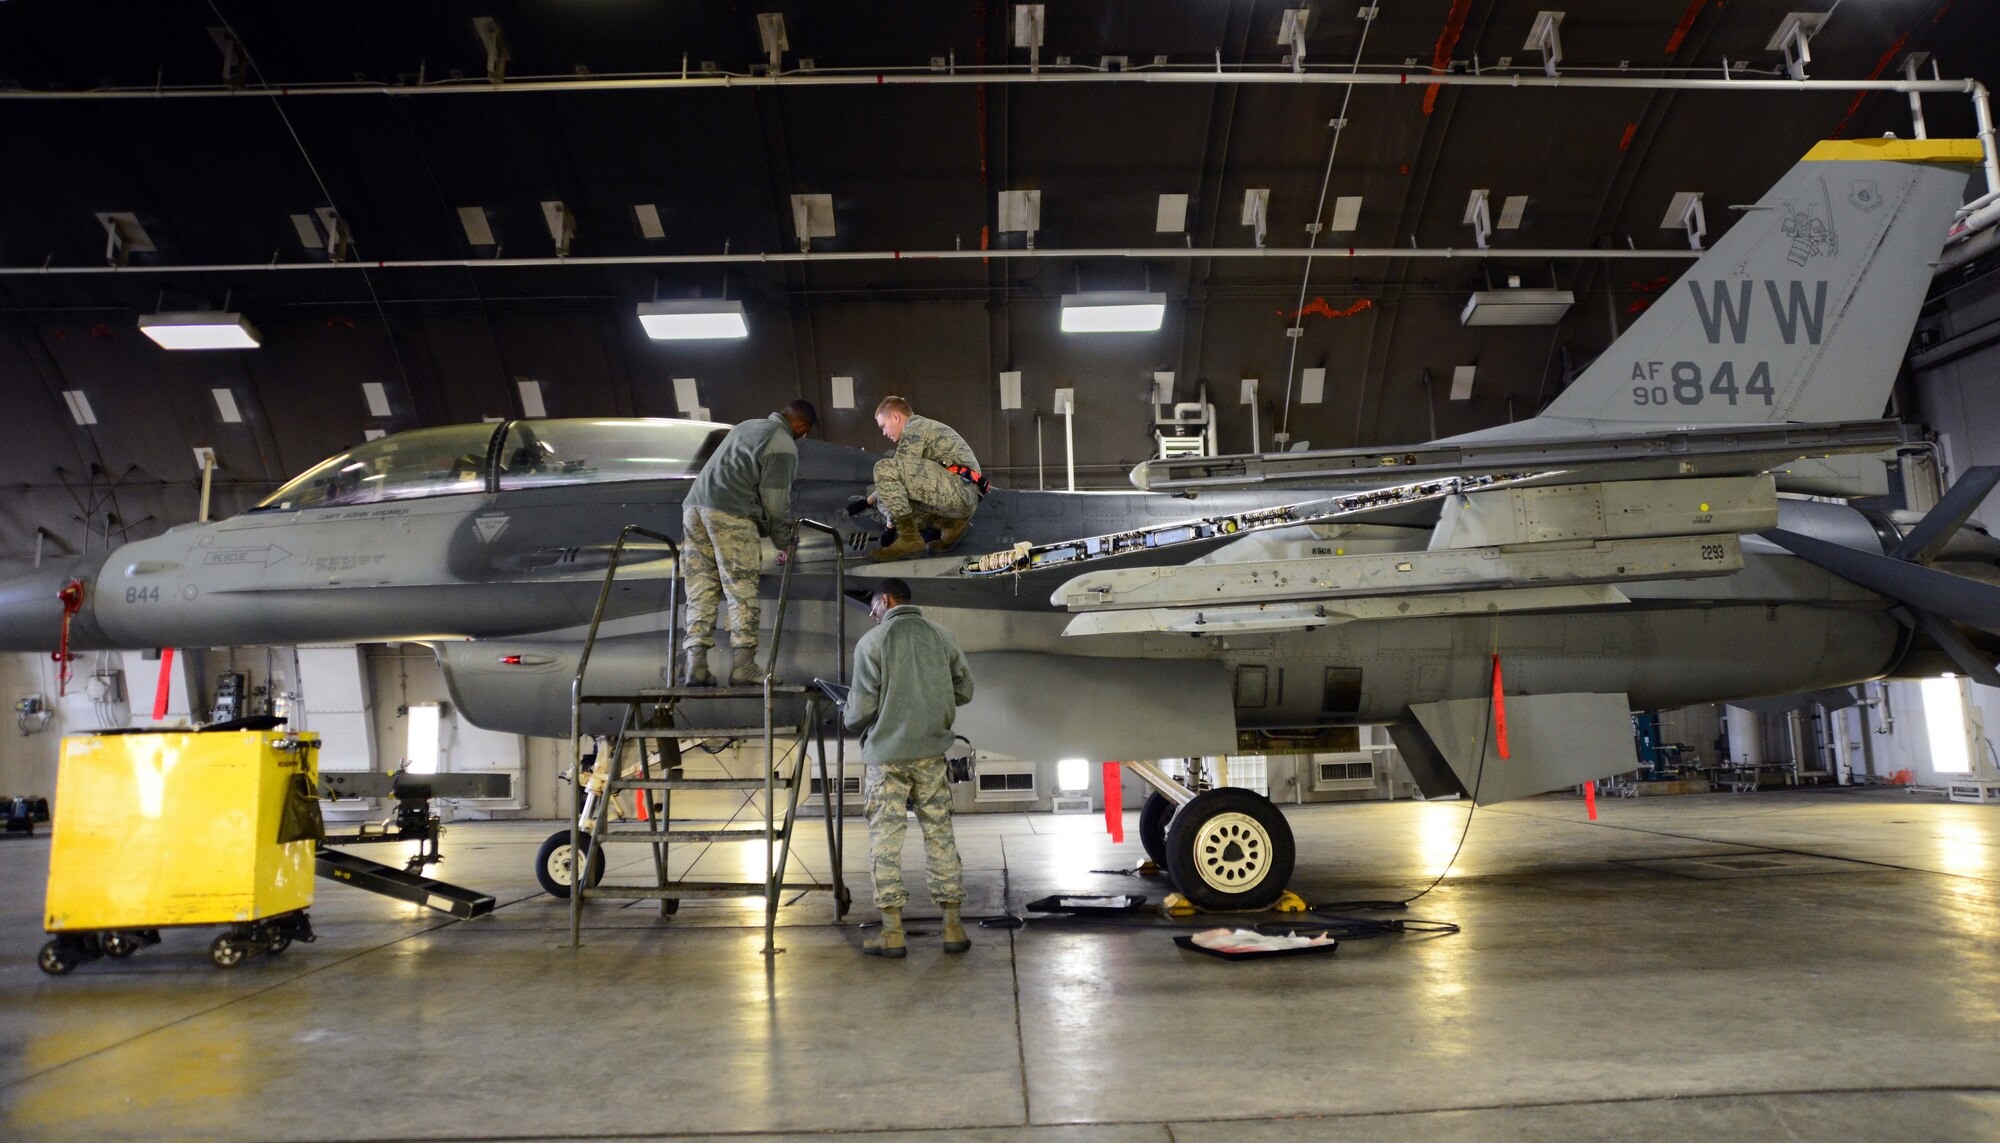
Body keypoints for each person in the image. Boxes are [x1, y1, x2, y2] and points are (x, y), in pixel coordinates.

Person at [843, 577, 975, 958]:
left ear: (885, 600)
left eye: (873, 607)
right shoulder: (943, 636)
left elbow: (862, 711)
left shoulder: (872, 643)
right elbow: (964, 690)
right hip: (931, 755)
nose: (872, 615)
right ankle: (952, 928)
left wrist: (849, 712)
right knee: (940, 837)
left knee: (885, 842)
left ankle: (893, 934)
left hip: (886, 760)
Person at [679, 400, 817, 686]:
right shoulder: (782, 444)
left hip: (693, 509)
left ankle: (696, 665)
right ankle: (744, 666)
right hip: (730, 513)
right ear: (801, 426)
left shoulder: (746, 426)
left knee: (700, 587)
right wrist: (783, 542)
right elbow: (776, 502)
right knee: (740, 588)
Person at [868, 396, 986, 562]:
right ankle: (951, 526)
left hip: (960, 489)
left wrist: (871, 499)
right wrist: (877, 498)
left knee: (883, 468)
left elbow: (896, 468)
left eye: (883, 426)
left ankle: (909, 540)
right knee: (885, 502)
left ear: (896, 417)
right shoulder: (922, 428)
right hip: (960, 492)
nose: (884, 433)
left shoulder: (916, 426)